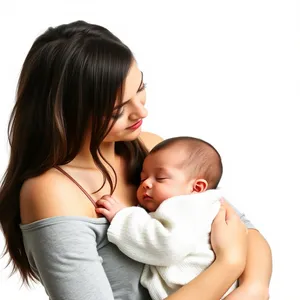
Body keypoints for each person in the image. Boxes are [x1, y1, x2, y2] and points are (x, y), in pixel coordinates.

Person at [0, 20, 271, 300]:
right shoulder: (52, 191)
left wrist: (254, 287)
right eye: (117, 109)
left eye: (140, 88)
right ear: (68, 113)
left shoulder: (148, 148)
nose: (142, 111)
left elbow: (242, 227)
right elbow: (235, 249)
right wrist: (229, 265)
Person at [97, 136, 238, 300]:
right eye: (142, 178)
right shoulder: (203, 204)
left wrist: (122, 217)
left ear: (197, 187)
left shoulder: (188, 206)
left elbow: (167, 245)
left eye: (160, 178)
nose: (146, 184)